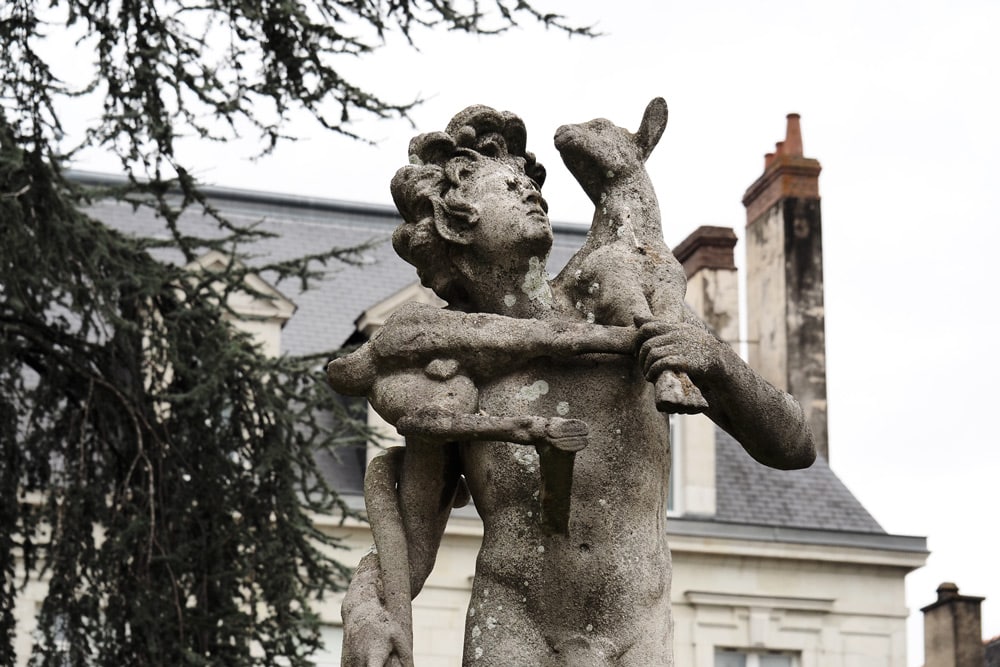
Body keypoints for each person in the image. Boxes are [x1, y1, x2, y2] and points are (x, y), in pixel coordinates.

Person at [337, 104, 815, 667]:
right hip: (512, 633)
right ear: (455, 221)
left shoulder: (617, 299)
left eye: (529, 182)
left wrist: (717, 363)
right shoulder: (453, 366)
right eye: (508, 185)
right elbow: (410, 546)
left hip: (634, 635)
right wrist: (367, 605)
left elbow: (793, 446)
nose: (531, 191)